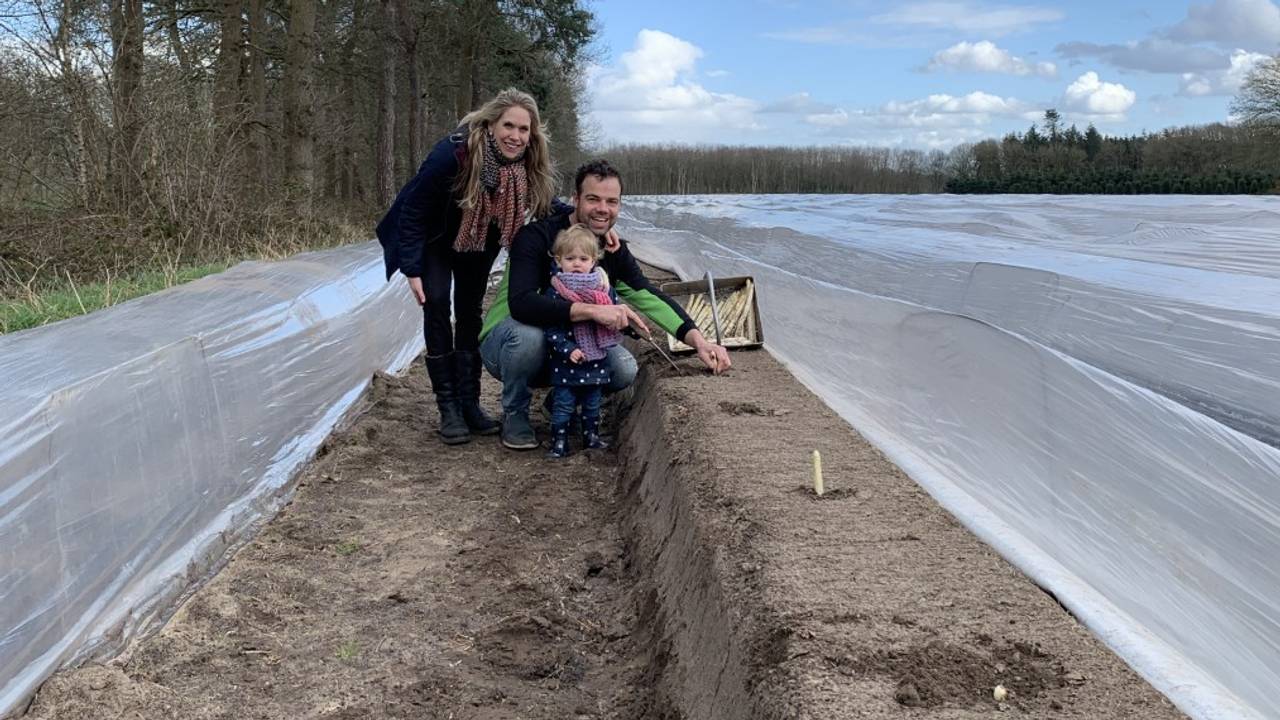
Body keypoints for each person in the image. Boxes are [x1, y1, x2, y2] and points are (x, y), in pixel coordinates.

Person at [479, 159, 733, 450]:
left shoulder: (611, 249)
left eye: (612, 201)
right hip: (508, 344)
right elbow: (523, 305)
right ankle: (516, 414)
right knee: (529, 337)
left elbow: (647, 294)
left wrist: (698, 341)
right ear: (575, 200)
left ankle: (561, 399)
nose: (603, 209)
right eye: (593, 199)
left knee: (623, 368)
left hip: (567, 353)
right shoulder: (536, 237)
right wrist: (593, 311)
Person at [375, 88, 558, 446]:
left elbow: (548, 205)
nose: (516, 136)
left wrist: (591, 224)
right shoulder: (454, 153)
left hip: (479, 243)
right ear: (491, 123)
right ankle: (449, 409)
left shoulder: (528, 161)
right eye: (509, 126)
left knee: (471, 313)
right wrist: (412, 268)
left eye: (524, 129)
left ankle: (470, 403)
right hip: (437, 239)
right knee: (438, 304)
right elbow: (414, 208)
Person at [542, 224, 619, 458]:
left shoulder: (604, 290)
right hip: (567, 364)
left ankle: (591, 437)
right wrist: (568, 349)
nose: (577, 264)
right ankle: (560, 441)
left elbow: (615, 314)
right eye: (570, 258)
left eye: (583, 258)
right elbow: (551, 328)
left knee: (592, 403)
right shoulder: (555, 292)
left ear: (594, 261)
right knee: (564, 404)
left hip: (596, 360)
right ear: (558, 261)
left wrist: (615, 321)